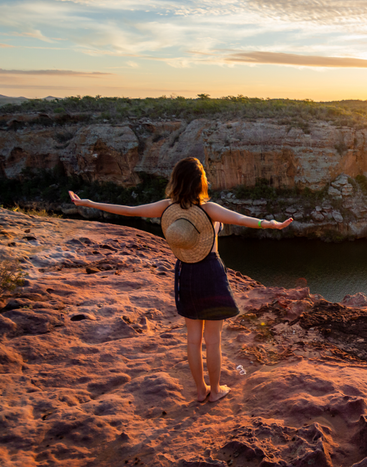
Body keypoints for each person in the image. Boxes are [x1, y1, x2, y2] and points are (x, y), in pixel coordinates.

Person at [68, 157, 293, 403]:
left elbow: (129, 210)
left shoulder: (166, 207)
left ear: (176, 180)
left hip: (185, 271)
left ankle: (200, 391)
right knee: (213, 339)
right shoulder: (208, 209)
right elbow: (242, 219)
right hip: (210, 272)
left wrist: (89, 202)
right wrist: (272, 224)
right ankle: (216, 390)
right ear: (200, 182)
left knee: (193, 338)